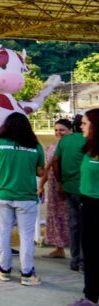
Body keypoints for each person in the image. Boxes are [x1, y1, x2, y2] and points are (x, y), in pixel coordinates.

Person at [0, 113, 44, 286]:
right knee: (26, 236)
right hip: (27, 197)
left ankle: (4, 270)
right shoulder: (35, 147)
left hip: (3, 196)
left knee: (4, 233)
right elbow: (40, 172)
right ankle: (27, 273)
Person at [69, 110, 99, 306]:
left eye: (85, 123)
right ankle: (90, 297)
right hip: (86, 204)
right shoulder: (89, 149)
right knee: (90, 254)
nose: (81, 126)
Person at [54, 114, 88, 273]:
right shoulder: (89, 140)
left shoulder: (65, 141)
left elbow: (55, 161)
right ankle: (83, 262)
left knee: (75, 224)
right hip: (86, 190)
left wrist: (60, 181)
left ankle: (75, 261)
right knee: (86, 227)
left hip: (69, 187)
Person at [39, 118, 73, 259]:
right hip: (53, 186)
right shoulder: (53, 145)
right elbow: (47, 167)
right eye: (56, 130)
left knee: (70, 216)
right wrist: (41, 185)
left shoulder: (72, 145)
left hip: (67, 184)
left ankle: (75, 248)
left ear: (70, 130)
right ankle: (59, 248)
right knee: (55, 215)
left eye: (62, 130)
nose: (58, 132)